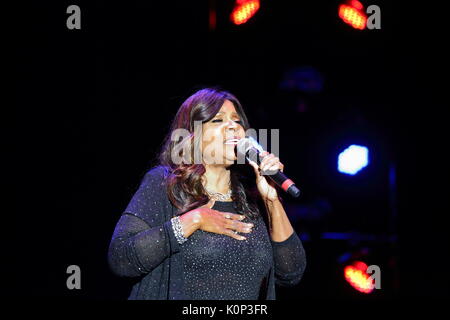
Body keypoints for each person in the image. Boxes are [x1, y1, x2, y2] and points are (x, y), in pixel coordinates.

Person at [107, 87, 306, 300]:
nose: (233, 126)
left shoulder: (252, 196)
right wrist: (194, 219)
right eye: (218, 120)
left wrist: (271, 200)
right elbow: (121, 258)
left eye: (237, 121)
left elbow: (291, 273)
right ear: (193, 134)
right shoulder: (166, 184)